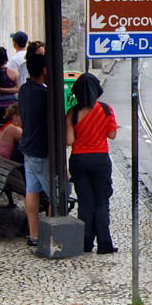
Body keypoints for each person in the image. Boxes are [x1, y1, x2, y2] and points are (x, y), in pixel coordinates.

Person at [65, 73, 118, 254]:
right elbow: (112, 135)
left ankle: (86, 243)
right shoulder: (106, 110)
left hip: (79, 160)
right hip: (100, 159)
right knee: (101, 202)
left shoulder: (72, 113)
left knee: (85, 202)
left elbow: (69, 141)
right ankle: (104, 244)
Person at [18, 51, 49, 247]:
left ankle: (34, 234)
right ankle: (52, 233)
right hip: (41, 149)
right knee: (55, 193)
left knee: (32, 190)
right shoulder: (44, 94)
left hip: (27, 146)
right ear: (45, 70)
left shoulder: (24, 89)